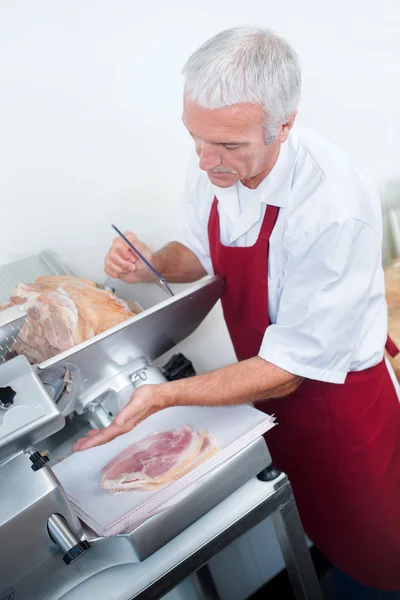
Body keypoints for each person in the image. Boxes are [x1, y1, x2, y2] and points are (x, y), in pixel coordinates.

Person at [73, 27, 400, 598]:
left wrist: (164, 396)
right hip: (271, 396)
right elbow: (196, 251)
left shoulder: (333, 205)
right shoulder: (215, 153)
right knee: (313, 522)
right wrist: (153, 260)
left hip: (340, 405)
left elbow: (290, 367)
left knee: (379, 545)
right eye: (195, 138)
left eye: (228, 147)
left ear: (283, 126)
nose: (206, 161)